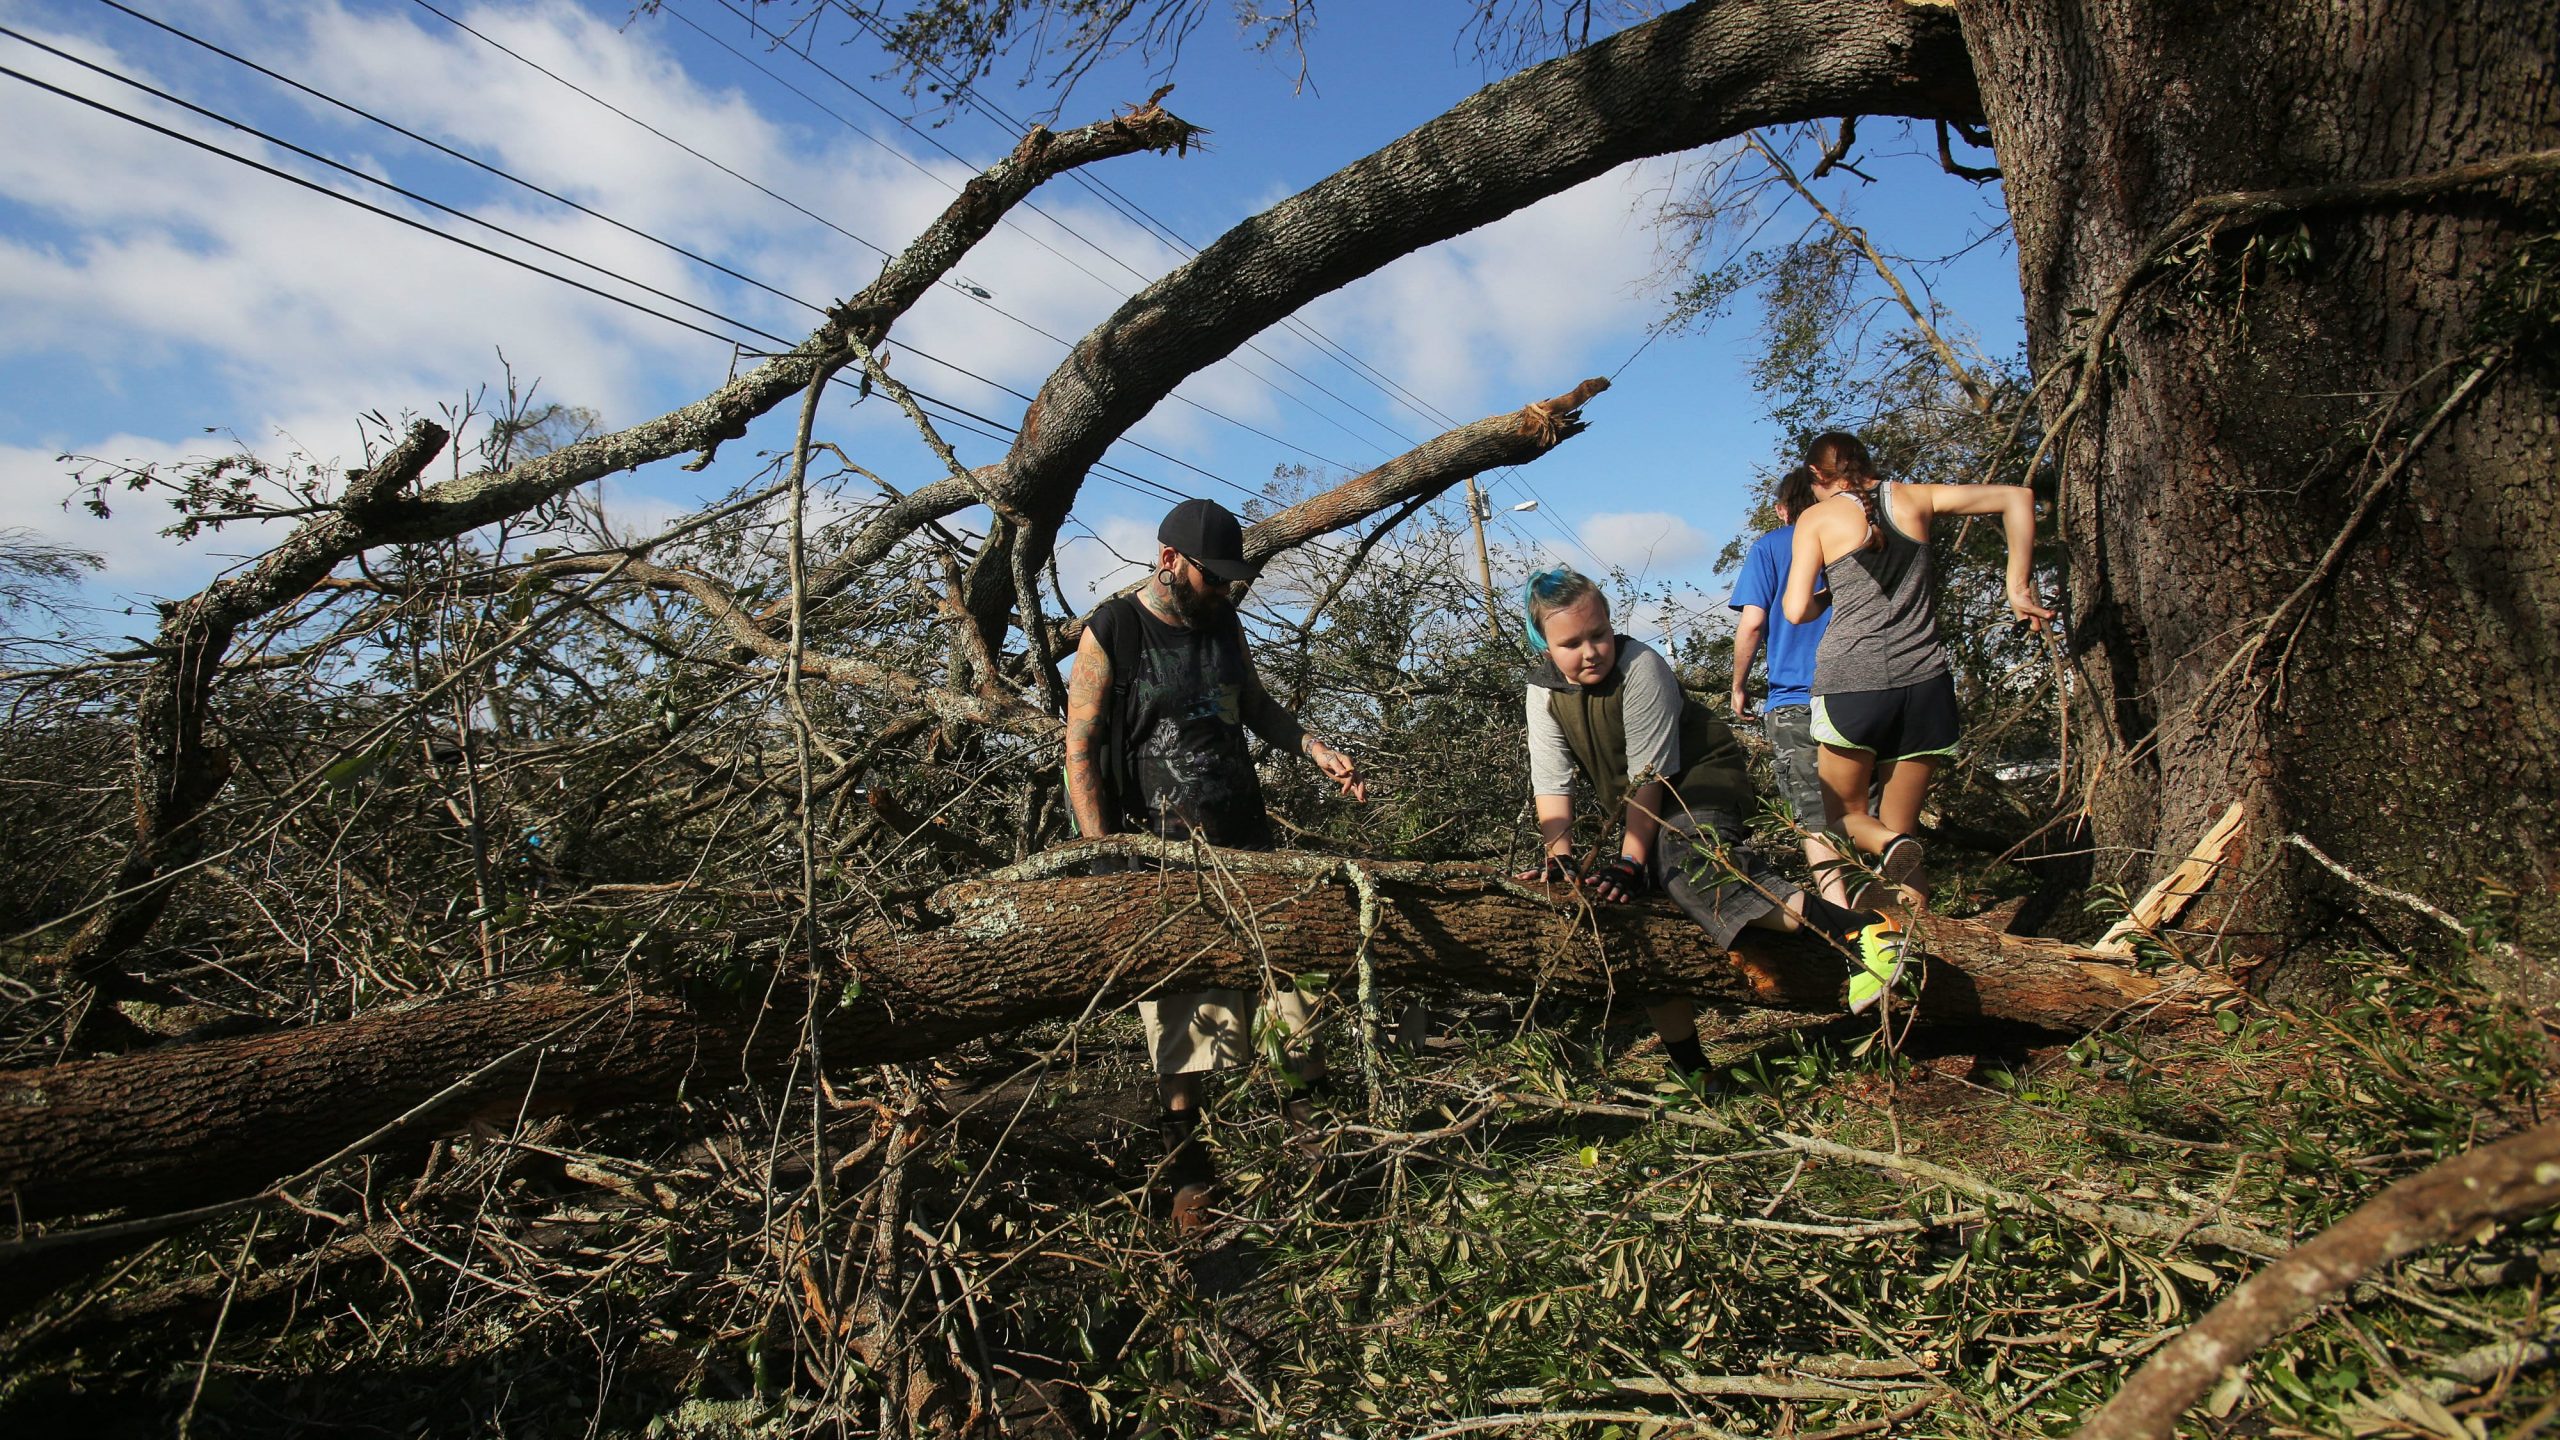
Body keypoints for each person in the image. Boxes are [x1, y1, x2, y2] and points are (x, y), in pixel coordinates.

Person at [1062, 497, 1367, 1230]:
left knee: (1287, 992)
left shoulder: (1223, 621)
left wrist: (1315, 748)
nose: (1225, 590)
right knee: (1184, 1019)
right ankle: (1190, 1175)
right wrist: (1110, 864)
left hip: (1249, 842)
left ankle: (1318, 1154)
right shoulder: (1113, 630)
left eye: (1231, 580)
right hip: (1163, 860)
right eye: (1213, 577)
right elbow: (1079, 755)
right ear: (1170, 562)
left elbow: (1255, 705)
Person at [1515, 567, 1913, 1077]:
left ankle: (1865, 932)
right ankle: (1693, 1070)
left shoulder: (1642, 666)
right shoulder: (1543, 689)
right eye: (1572, 643)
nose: (1591, 651)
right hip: (1642, 803)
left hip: (1696, 783)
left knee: (1689, 865)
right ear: (1544, 645)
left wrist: (1631, 863)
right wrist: (1561, 859)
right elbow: (1552, 782)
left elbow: (1649, 778)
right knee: (1628, 918)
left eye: (1599, 634)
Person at [1782, 432, 2055, 901]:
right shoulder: (1917, 498)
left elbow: (1795, 610)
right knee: (1903, 828)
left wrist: (1833, 593)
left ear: (1817, 477)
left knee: (1845, 819)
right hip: (1926, 685)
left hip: (1853, 685)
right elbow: (2017, 497)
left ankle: (1889, 846)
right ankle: (1918, 935)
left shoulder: (1817, 518)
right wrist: (2018, 586)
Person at [1728, 465, 1850, 905]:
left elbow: (1753, 623)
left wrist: (1738, 684)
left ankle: (1840, 914)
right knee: (1866, 810)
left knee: (1815, 817)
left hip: (1796, 700)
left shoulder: (1770, 547)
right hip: (1859, 694)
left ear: (1782, 509)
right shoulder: (1849, 540)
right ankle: (1894, 909)